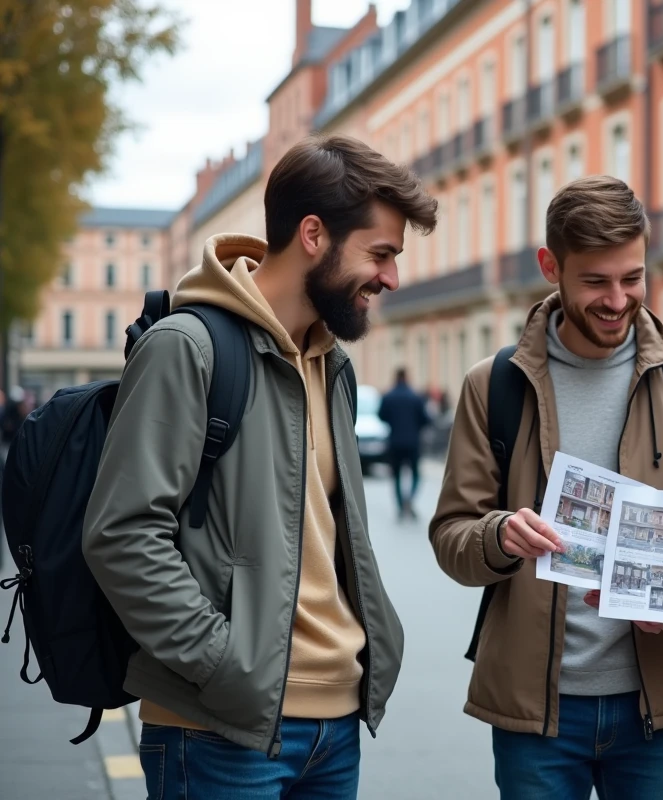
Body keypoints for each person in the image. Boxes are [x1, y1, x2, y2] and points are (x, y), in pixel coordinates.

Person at [82, 133, 434, 798]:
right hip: (218, 732)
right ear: (312, 235)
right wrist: (225, 667)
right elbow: (122, 535)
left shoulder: (334, 365)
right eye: (381, 253)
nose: (391, 277)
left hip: (336, 728)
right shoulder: (187, 348)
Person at [429, 176, 663, 799]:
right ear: (551, 266)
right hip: (536, 716)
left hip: (652, 709)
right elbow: (451, 537)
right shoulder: (492, 386)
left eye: (632, 278)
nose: (617, 299)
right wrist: (500, 536)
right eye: (595, 281)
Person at [378, 367, 430, 518]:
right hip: (413, 442)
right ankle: (410, 498)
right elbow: (425, 419)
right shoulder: (415, 397)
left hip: (394, 442)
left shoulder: (388, 396)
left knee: (397, 475)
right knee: (415, 474)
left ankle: (401, 504)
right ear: (407, 377)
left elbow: (381, 415)